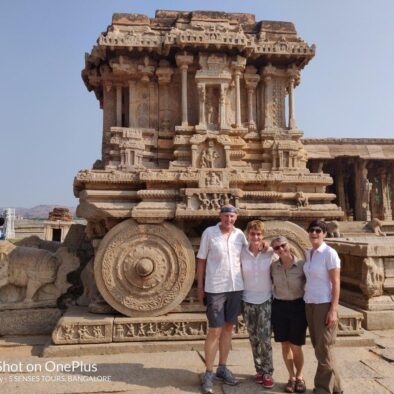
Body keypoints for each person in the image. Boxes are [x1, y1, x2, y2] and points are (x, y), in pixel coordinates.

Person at [196, 204, 247, 394]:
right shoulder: (209, 233)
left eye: (232, 216)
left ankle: (222, 367)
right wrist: (200, 287)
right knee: (214, 330)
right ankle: (208, 372)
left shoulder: (240, 235)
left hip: (235, 287)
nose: (229, 219)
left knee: (228, 328)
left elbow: (249, 255)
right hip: (215, 287)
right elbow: (201, 260)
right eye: (226, 216)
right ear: (220, 216)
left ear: (236, 217)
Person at [303, 220, 343, 394]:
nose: (314, 233)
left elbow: (336, 282)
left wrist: (333, 309)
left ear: (325, 233)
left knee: (325, 347)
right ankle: (337, 388)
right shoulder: (309, 253)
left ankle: (322, 388)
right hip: (310, 302)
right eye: (312, 230)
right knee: (319, 346)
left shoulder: (329, 253)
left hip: (324, 303)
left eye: (318, 230)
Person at [241, 220, 276, 389]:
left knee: (265, 338)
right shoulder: (242, 252)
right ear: (248, 234)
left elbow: (286, 261)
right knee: (253, 337)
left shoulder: (270, 252)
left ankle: (268, 371)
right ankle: (259, 369)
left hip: (265, 300)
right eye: (253, 234)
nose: (256, 237)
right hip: (247, 300)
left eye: (259, 234)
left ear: (263, 236)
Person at [270, 236, 307, 393]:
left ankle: (300, 376)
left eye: (283, 245)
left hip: (298, 305)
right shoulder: (273, 267)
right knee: (285, 344)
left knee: (296, 345)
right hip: (279, 306)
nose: (281, 249)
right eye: (277, 248)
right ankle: (291, 377)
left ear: (289, 244)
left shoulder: (302, 265)